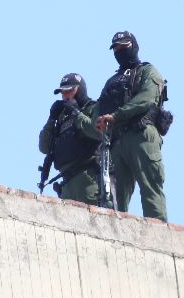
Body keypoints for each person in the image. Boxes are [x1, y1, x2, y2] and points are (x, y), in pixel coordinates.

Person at [84, 31, 168, 221]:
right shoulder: (112, 81)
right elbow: (99, 106)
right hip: (117, 143)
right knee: (114, 198)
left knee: (150, 186)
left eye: (124, 46)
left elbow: (145, 99)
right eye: (116, 48)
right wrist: (97, 121)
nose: (120, 51)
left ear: (134, 46)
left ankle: (158, 233)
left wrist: (114, 116)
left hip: (141, 136)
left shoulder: (147, 71)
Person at [39, 73, 101, 205]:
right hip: (67, 182)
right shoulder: (62, 118)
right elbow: (44, 147)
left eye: (70, 91)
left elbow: (97, 132)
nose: (65, 96)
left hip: (88, 178)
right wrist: (51, 120)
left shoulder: (93, 108)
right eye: (63, 92)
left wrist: (76, 114)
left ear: (80, 90)